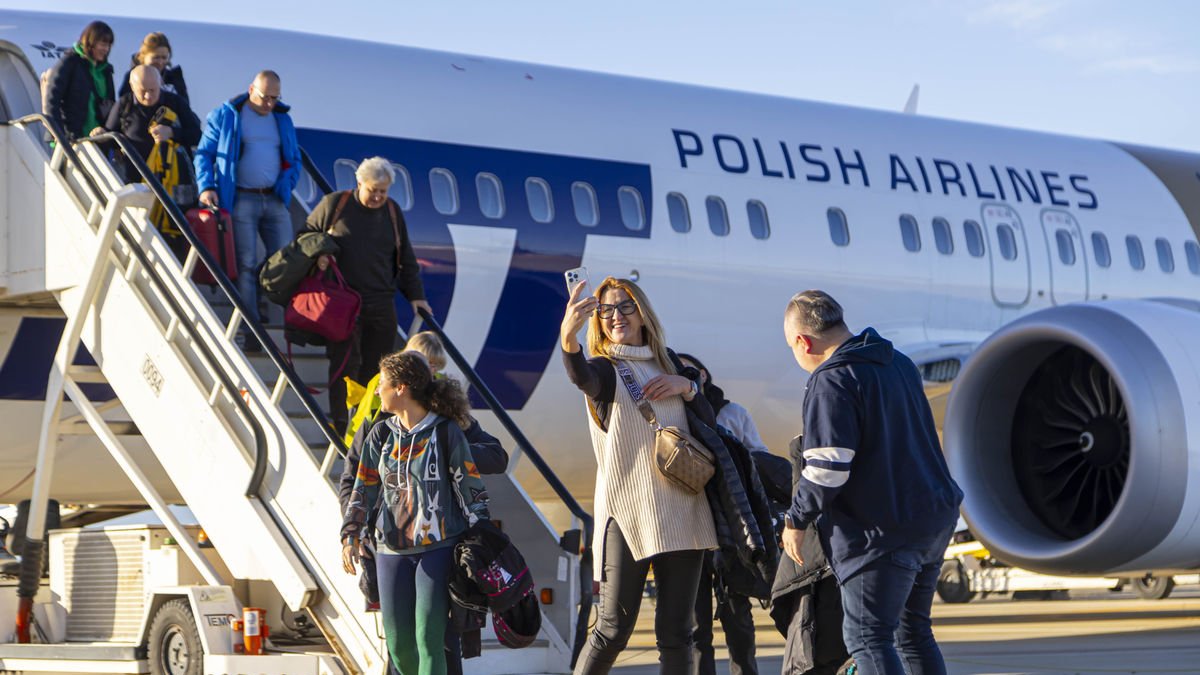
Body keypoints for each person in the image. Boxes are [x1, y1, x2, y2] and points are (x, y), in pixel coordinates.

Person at [779, 290, 962, 675]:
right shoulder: (898, 363)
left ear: (802, 341)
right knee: (913, 634)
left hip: (880, 531)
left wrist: (795, 521)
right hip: (930, 517)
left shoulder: (832, 378)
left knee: (868, 636)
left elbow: (828, 467)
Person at [560, 276, 718, 674]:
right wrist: (568, 339)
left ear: (642, 311)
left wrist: (687, 386)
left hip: (683, 508)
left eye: (625, 306)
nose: (616, 316)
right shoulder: (606, 370)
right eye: (607, 310)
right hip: (628, 512)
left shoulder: (671, 363)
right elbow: (582, 377)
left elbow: (709, 426)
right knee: (611, 629)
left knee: (678, 633)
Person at [338, 333, 508, 675]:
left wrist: (483, 538)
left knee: (430, 641)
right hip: (390, 550)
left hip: (437, 548)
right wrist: (350, 533)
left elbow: (471, 488)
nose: (377, 390)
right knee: (399, 647)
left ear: (401, 388)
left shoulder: (447, 432)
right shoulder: (380, 434)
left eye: (383, 383)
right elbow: (363, 487)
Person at [306, 157, 432, 435]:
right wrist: (321, 252)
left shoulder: (392, 212)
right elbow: (305, 235)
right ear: (359, 183)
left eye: (382, 192)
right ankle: (340, 427)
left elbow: (406, 258)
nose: (377, 197)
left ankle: (367, 428)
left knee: (380, 370)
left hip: (380, 302)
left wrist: (417, 296)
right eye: (372, 190)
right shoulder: (335, 205)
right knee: (345, 365)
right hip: (343, 301)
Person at [676, 352, 768, 675]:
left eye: (691, 371)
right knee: (698, 624)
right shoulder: (674, 414)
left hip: (731, 529)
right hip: (694, 529)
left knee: (737, 615)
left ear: (704, 374)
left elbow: (759, 460)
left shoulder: (733, 413)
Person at [194, 70, 301, 350]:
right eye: (265, 98)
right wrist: (206, 186)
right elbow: (204, 154)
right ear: (252, 88)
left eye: (275, 99)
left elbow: (294, 158)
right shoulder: (228, 116)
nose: (269, 105)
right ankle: (252, 329)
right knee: (246, 263)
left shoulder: (282, 119)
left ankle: (285, 327)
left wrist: (288, 182)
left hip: (274, 199)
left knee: (286, 262)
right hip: (242, 198)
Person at [104, 65, 201, 258]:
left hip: (171, 187)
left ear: (160, 85)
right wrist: (100, 133)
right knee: (138, 238)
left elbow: (197, 135)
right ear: (132, 87)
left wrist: (172, 133)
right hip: (136, 183)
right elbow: (108, 137)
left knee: (174, 241)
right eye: (142, 92)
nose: (148, 96)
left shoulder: (175, 102)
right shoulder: (124, 105)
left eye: (153, 90)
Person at [44, 20, 115, 140]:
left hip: (98, 138)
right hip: (72, 136)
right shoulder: (70, 62)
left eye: (108, 45)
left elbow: (111, 104)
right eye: (102, 44)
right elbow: (52, 100)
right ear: (90, 42)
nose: (106, 49)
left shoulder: (106, 70)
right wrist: (58, 133)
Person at [118, 32, 190, 107]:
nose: (160, 62)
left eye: (164, 58)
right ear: (144, 56)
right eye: (156, 57)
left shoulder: (174, 78)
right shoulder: (132, 78)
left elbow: (185, 106)